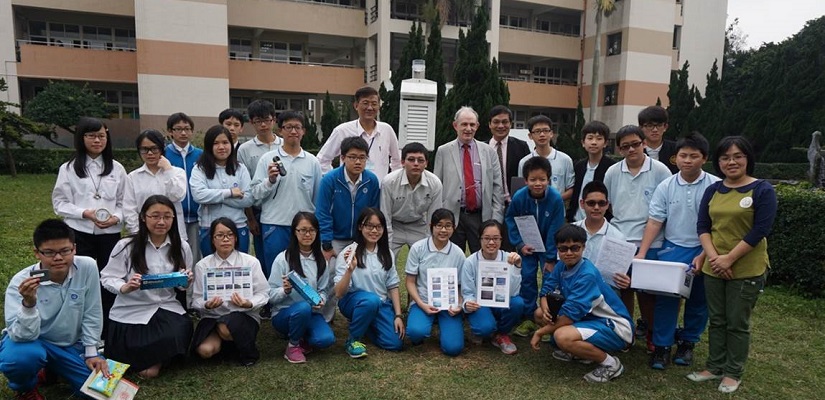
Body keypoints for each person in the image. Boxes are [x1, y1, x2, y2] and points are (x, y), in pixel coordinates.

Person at [687, 136, 776, 394]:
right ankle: (714, 366)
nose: (731, 161)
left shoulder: (762, 190)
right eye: (725, 157)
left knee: (737, 321)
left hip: (746, 268)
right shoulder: (713, 190)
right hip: (713, 266)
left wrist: (729, 258)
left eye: (738, 156)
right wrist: (715, 258)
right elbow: (703, 227)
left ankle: (733, 372)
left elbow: (760, 230)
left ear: (748, 158)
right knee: (716, 319)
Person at [635, 132, 720, 370]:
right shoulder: (666, 185)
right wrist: (642, 253)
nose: (688, 160)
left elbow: (717, 225)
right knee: (667, 299)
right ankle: (662, 346)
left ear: (704, 158)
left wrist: (705, 254)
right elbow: (655, 221)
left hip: (705, 248)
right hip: (673, 249)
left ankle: (688, 343)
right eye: (683, 155)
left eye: (694, 156)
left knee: (699, 300)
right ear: (675, 158)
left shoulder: (715, 186)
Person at [0, 219, 108, 400]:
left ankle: (51, 371)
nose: (58, 258)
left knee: (100, 395)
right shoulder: (21, 282)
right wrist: (29, 304)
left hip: (71, 343)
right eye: (49, 252)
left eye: (65, 251)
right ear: (37, 253)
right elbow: (20, 336)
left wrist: (91, 352)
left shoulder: (87, 267)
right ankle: (26, 388)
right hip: (34, 342)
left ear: (74, 248)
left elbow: (92, 311)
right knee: (19, 358)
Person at [100, 195, 194, 379]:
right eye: (155, 216)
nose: (161, 222)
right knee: (145, 364)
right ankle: (154, 359)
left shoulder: (181, 247)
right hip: (130, 311)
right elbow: (107, 277)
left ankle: (153, 360)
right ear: (143, 217)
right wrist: (124, 287)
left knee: (181, 330)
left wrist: (186, 281)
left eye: (167, 216)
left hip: (166, 308)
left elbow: (183, 286)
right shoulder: (126, 246)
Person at [530, 224, 633, 383]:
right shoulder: (561, 266)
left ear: (583, 247)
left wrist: (540, 332)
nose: (569, 253)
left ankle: (611, 365)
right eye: (563, 249)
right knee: (539, 314)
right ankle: (578, 352)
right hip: (589, 319)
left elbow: (569, 317)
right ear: (557, 249)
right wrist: (546, 310)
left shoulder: (587, 274)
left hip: (615, 327)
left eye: (575, 248)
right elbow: (545, 291)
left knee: (562, 336)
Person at [52, 117, 126, 337]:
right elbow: (60, 203)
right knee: (78, 277)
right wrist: (85, 213)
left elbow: (125, 202)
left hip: (110, 233)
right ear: (81, 138)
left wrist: (116, 218)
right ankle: (76, 325)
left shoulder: (117, 168)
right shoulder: (68, 169)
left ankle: (108, 328)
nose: (97, 140)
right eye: (91, 136)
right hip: (79, 232)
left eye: (102, 135)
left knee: (110, 279)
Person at [602, 125, 671, 350]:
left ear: (644, 143)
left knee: (648, 292)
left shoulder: (660, 170)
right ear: (619, 149)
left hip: (651, 242)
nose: (631, 149)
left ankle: (652, 333)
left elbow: (666, 207)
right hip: (619, 240)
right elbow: (608, 204)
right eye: (625, 146)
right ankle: (626, 331)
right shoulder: (613, 172)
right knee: (622, 290)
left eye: (635, 144)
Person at [316, 136, 381, 322]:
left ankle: (362, 314)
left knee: (363, 272)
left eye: (362, 157)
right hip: (335, 237)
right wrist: (327, 244)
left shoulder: (371, 181)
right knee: (330, 275)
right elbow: (323, 213)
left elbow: (373, 212)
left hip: (359, 237)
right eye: (353, 157)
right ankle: (325, 318)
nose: (358, 161)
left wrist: (367, 238)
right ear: (342, 158)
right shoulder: (330, 180)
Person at [251, 110, 322, 277]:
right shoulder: (268, 159)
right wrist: (269, 181)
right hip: (274, 225)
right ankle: (274, 303)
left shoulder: (312, 161)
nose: (293, 131)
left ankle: (303, 303)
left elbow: (317, 198)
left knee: (304, 271)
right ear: (280, 130)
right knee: (275, 271)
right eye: (288, 127)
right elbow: (254, 194)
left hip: (304, 228)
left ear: (304, 131)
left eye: (297, 127)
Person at [191, 217, 269, 367]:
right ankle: (230, 346)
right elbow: (196, 299)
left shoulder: (250, 262)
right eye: (219, 235)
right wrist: (207, 305)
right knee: (204, 351)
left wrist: (249, 303)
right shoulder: (203, 265)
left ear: (236, 238)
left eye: (229, 234)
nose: (225, 239)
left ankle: (242, 346)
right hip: (213, 317)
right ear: (212, 240)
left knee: (226, 328)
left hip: (243, 315)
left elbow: (264, 293)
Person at [505, 156, 565, 338]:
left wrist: (550, 257)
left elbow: (556, 227)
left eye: (542, 179)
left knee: (550, 279)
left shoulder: (555, 199)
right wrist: (519, 244)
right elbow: (510, 219)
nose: (537, 183)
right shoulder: (520, 197)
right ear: (526, 180)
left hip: (548, 248)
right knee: (527, 277)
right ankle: (529, 317)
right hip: (527, 248)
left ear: (549, 179)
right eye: (533, 180)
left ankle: (548, 318)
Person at [334, 208, 404, 358]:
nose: (374, 231)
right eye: (369, 226)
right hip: (354, 301)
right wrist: (349, 270)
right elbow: (339, 293)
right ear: (360, 227)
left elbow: (393, 285)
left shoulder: (386, 253)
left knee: (395, 343)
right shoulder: (348, 253)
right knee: (370, 301)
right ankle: (353, 340)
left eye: (378, 227)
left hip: (380, 303)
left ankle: (365, 324)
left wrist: (398, 315)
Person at [433, 106, 504, 254]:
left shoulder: (489, 152)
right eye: (464, 124)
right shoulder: (443, 151)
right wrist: (439, 218)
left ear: (477, 126)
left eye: (472, 124)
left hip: (480, 216)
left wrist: (495, 220)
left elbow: (498, 188)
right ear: (455, 125)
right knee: (451, 259)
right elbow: (437, 186)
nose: (468, 128)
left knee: (482, 259)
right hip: (452, 216)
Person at [269, 212, 335, 363]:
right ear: (294, 232)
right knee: (303, 307)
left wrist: (321, 299)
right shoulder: (282, 259)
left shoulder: (321, 261)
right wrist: (284, 291)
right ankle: (292, 346)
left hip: (311, 313)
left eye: (311, 230)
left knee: (326, 340)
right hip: (285, 314)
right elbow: (270, 295)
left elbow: (323, 290)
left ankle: (301, 336)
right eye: (302, 230)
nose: (307, 234)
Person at [405, 209, 467, 357]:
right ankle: (424, 322)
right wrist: (421, 304)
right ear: (431, 226)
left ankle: (443, 326)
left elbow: (460, 286)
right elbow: (410, 282)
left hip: (448, 306)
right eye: (439, 225)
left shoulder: (458, 254)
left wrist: (458, 305)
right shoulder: (418, 248)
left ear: (454, 227)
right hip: (424, 302)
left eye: (448, 226)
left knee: (454, 348)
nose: (443, 230)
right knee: (415, 333)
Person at [190, 125, 254, 257]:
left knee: (240, 271)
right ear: (209, 146)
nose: (221, 147)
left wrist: (214, 196)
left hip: (238, 226)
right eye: (216, 143)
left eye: (225, 142)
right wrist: (229, 193)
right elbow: (198, 195)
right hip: (209, 228)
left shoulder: (240, 168)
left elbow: (248, 199)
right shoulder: (199, 169)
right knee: (212, 272)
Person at [461, 220, 524, 355]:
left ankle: (501, 333)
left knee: (518, 303)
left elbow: (513, 292)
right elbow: (467, 291)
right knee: (484, 328)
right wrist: (468, 304)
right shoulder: (470, 262)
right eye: (487, 238)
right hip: (480, 304)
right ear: (480, 239)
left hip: (501, 302)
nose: (491, 243)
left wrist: (517, 266)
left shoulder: (509, 258)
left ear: (501, 239)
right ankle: (483, 328)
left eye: (496, 238)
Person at [316, 86, 401, 181]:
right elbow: (322, 160)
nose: (370, 108)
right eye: (365, 103)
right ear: (356, 105)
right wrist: (336, 180)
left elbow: (397, 161)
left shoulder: (387, 130)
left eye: (374, 104)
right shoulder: (342, 131)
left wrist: (392, 183)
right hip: (350, 191)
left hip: (379, 191)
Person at [238, 100, 283, 270]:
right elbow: (245, 186)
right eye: (258, 121)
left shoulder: (284, 145)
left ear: (274, 120)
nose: (263, 125)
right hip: (259, 211)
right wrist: (250, 218)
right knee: (264, 259)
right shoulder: (245, 149)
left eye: (267, 120)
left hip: (283, 210)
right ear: (251, 123)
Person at [380, 142, 443, 258]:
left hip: (418, 225)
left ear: (426, 164)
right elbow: (385, 216)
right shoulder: (389, 182)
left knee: (425, 260)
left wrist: (431, 244)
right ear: (402, 162)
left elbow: (434, 217)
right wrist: (385, 245)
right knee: (385, 261)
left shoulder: (435, 183)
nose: (416, 164)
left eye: (420, 160)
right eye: (411, 159)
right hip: (394, 225)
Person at [124, 129, 187, 240]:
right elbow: (129, 209)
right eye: (144, 149)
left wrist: (168, 170)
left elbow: (177, 195)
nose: (149, 153)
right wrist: (137, 232)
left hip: (173, 234)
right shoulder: (133, 177)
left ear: (162, 149)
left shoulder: (177, 172)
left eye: (154, 149)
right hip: (143, 234)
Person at [488, 105, 530, 252]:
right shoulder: (481, 148)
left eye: (505, 122)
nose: (500, 126)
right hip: (490, 205)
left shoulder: (521, 146)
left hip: (513, 203)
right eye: (496, 122)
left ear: (510, 124)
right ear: (489, 124)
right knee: (490, 245)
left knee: (511, 248)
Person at [572, 181, 629, 290]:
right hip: (574, 287)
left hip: (604, 291)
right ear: (582, 204)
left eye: (601, 203)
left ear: (607, 204)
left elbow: (618, 276)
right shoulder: (571, 231)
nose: (596, 207)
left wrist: (624, 280)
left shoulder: (618, 238)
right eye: (591, 203)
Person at [164, 112, 203, 261]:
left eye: (187, 129)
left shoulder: (200, 155)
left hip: (196, 216)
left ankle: (192, 285)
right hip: (172, 215)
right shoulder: (164, 154)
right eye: (178, 129)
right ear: (170, 132)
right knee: (173, 255)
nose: (183, 132)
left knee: (194, 257)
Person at [517, 115, 575, 201]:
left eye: (545, 130)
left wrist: (554, 200)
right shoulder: (524, 162)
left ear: (551, 133)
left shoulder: (565, 159)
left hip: (556, 210)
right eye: (537, 131)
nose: (542, 134)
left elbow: (571, 188)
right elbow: (522, 189)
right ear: (530, 136)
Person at [567, 121, 616, 222]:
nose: (594, 142)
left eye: (599, 139)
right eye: (590, 138)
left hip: (601, 222)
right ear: (583, 143)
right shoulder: (579, 166)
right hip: (577, 221)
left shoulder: (612, 167)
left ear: (605, 143)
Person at [639, 106, 678, 174]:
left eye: (659, 125)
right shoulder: (636, 150)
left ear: (665, 127)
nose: (655, 130)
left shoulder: (676, 149)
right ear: (641, 128)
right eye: (650, 126)